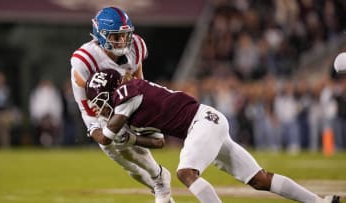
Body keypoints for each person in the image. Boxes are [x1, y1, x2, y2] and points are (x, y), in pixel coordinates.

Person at [86, 69, 341, 203]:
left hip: (201, 123)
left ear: (111, 91)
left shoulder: (126, 95)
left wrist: (98, 129)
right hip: (207, 121)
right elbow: (159, 142)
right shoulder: (131, 105)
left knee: (186, 173)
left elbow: (106, 138)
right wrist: (132, 139)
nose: (99, 108)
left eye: (99, 101)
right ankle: (319, 202)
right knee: (259, 179)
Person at [69, 6, 174, 203]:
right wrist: (96, 131)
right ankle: (158, 181)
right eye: (115, 36)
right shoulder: (84, 60)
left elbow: (140, 81)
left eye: (125, 35)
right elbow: (84, 105)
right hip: (99, 110)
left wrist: (138, 98)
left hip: (129, 101)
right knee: (126, 162)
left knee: (132, 145)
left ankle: (159, 176)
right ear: (100, 35)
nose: (122, 41)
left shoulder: (137, 46)